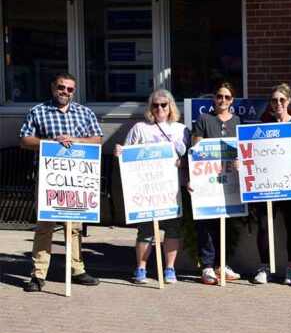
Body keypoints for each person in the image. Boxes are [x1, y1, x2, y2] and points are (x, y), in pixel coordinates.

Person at [19, 72, 103, 292]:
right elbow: (25, 140)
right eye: (61, 87)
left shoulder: (84, 113)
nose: (65, 92)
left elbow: (97, 139)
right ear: (52, 87)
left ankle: (77, 270)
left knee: (74, 226)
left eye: (70, 89)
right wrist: (52, 143)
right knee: (45, 225)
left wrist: (77, 141)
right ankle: (38, 275)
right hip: (49, 178)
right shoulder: (38, 112)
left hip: (76, 179)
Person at [115, 89, 190, 285]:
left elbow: (191, 158)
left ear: (171, 106)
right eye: (155, 105)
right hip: (148, 189)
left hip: (173, 188)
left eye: (163, 105)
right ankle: (141, 269)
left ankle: (169, 268)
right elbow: (126, 154)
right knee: (146, 230)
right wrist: (119, 152)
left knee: (173, 229)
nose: (159, 108)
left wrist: (184, 163)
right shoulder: (140, 128)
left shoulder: (182, 130)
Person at [249, 83, 291, 286]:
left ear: (289, 102)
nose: (278, 104)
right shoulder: (262, 126)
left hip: (290, 184)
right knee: (264, 226)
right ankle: (264, 267)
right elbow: (253, 154)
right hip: (266, 185)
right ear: (270, 104)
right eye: (274, 100)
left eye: (282, 100)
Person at [190, 82, 242, 285]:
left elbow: (243, 149)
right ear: (213, 98)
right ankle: (207, 266)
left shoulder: (237, 120)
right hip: (207, 180)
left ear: (232, 100)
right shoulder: (204, 119)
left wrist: (239, 161)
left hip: (230, 181)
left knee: (227, 223)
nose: (223, 100)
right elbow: (196, 149)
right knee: (206, 224)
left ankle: (222, 264)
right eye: (219, 96)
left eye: (227, 97)